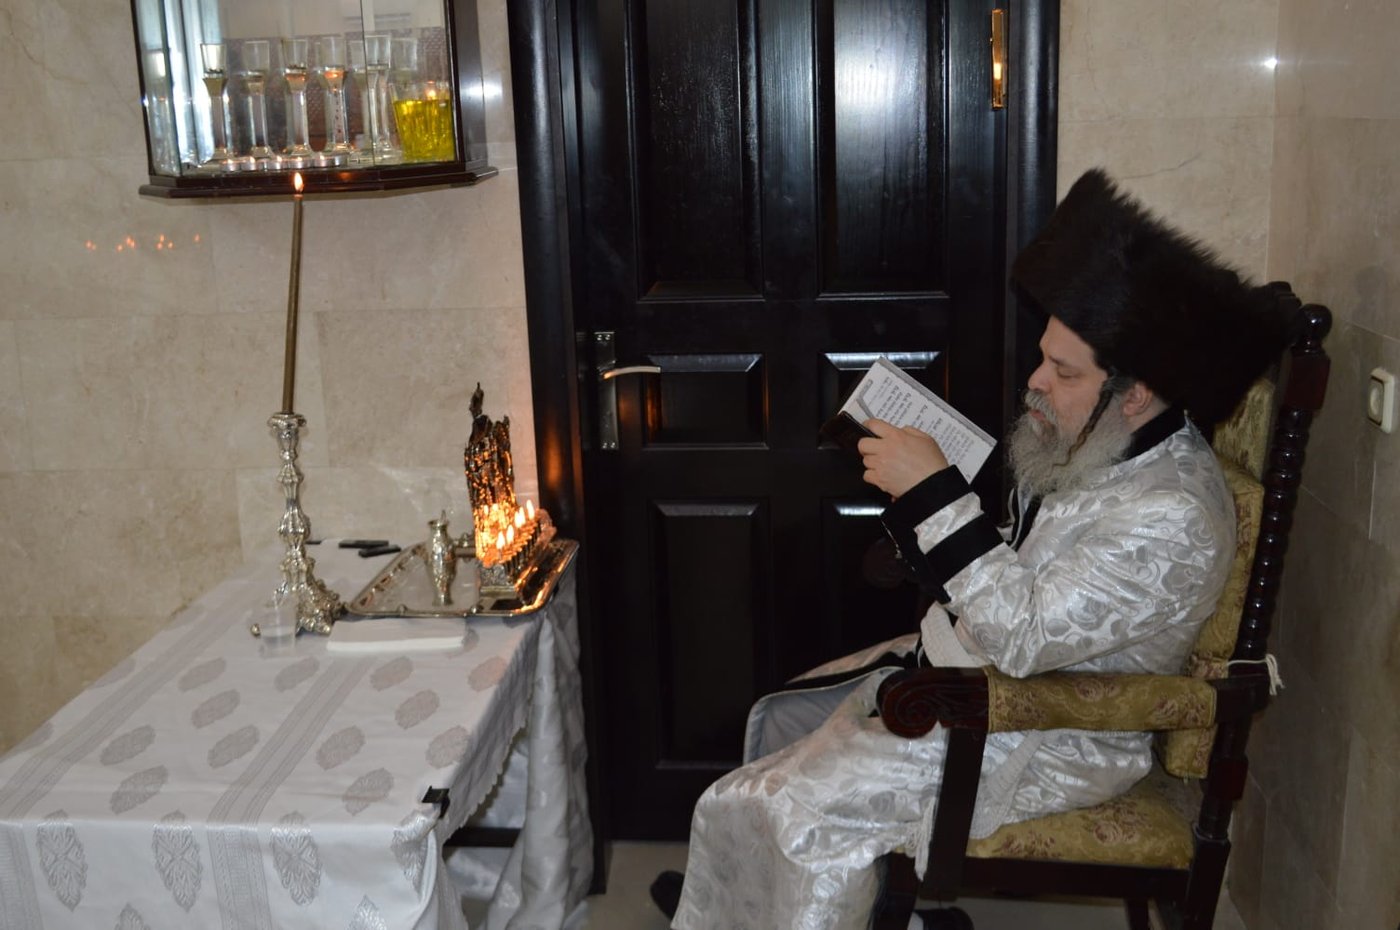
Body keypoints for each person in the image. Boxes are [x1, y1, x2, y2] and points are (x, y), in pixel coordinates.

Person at [649, 169, 1299, 930]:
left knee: (767, 805)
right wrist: (925, 511)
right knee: (782, 722)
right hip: (976, 679)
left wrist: (933, 493)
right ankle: (761, 903)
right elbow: (1029, 561)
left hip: (1039, 733)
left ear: (1137, 393)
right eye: (1044, 358)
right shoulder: (1119, 444)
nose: (1035, 383)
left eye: (1063, 372)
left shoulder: (1173, 515)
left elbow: (1024, 638)